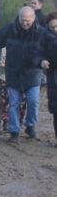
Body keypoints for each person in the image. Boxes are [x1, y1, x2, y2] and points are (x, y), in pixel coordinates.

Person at [0, 6, 45, 143]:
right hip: (13, 71)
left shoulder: (41, 33)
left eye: (28, 20)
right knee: (14, 103)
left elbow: (49, 48)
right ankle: (14, 131)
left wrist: (44, 61)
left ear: (34, 19)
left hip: (33, 72)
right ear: (18, 18)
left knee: (33, 101)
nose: (25, 23)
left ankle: (30, 125)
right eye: (22, 20)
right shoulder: (9, 30)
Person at [35, 11, 57, 146]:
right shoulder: (44, 37)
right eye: (52, 27)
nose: (55, 29)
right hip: (54, 76)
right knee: (56, 109)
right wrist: (42, 61)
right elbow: (39, 53)